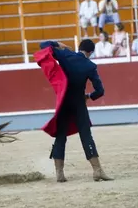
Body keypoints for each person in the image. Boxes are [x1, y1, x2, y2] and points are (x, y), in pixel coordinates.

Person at [39, 39, 113, 182]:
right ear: (90, 52)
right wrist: (89, 96)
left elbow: (43, 45)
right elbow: (100, 91)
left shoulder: (66, 55)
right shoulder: (90, 66)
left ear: (79, 48)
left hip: (64, 102)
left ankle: (59, 173)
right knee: (86, 135)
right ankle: (97, 170)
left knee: (61, 136)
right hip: (79, 102)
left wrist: (57, 44)